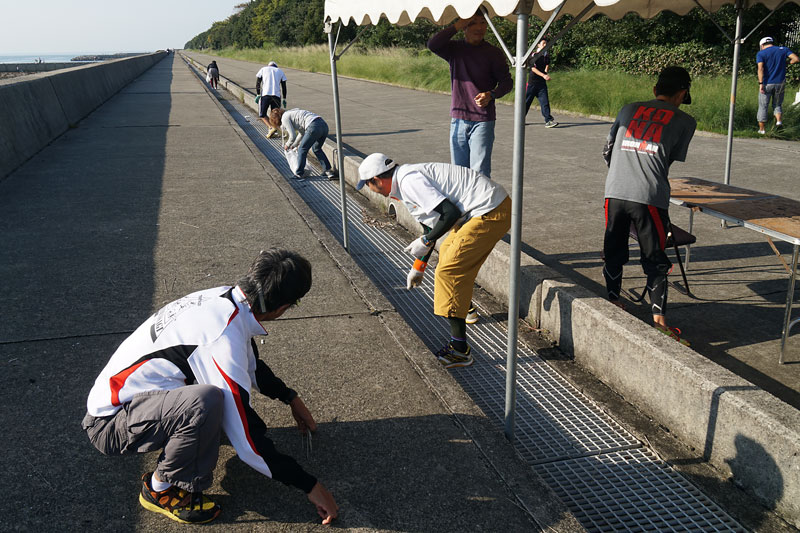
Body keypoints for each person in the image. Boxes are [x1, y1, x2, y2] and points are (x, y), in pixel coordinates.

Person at [81, 249, 339, 525]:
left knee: (212, 403)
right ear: (282, 307)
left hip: (128, 403)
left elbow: (249, 362)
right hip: (110, 424)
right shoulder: (222, 337)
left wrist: (289, 397)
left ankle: (181, 437)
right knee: (205, 403)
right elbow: (248, 442)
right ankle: (159, 489)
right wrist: (311, 486)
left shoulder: (226, 299)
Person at [356, 154, 511, 368]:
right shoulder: (405, 180)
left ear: (377, 180)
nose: (370, 190)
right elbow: (430, 227)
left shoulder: (409, 182)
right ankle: (464, 307)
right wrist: (418, 267)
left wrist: (426, 240)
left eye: (368, 185)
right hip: (485, 208)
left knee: (449, 271)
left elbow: (450, 213)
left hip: (489, 210)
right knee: (447, 253)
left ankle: (460, 350)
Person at [601, 66, 697, 346]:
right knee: (655, 259)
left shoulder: (627, 109)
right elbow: (666, 161)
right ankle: (659, 323)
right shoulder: (685, 121)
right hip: (650, 197)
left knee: (613, 250)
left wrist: (623, 172)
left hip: (614, 191)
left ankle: (613, 300)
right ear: (683, 94)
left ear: (655, 89)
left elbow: (607, 151)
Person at [428, 10, 512, 178]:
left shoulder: (493, 53)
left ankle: (480, 197)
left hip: (483, 120)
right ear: (464, 27)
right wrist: (457, 25)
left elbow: (507, 83)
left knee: (480, 173)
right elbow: (433, 44)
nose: (479, 27)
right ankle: (463, 198)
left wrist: (491, 94)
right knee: (459, 173)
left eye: (483, 22)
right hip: (458, 118)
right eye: (473, 23)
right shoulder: (454, 49)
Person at [269, 107, 336, 181]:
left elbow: (292, 136)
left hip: (313, 126)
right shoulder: (293, 113)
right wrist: (294, 145)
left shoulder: (284, 118)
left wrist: (287, 145)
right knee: (316, 149)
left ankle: (299, 173)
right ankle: (328, 172)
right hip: (323, 125)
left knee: (302, 149)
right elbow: (302, 132)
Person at [756, 36, 799, 134]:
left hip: (767, 83)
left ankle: (762, 130)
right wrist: (789, 62)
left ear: (762, 45)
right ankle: (779, 121)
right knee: (777, 104)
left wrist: (760, 83)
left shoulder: (761, 53)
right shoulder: (783, 50)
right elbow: (796, 59)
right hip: (780, 82)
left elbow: (760, 69)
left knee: (763, 106)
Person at [524, 37, 558, 128]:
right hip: (532, 83)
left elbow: (547, 64)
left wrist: (546, 72)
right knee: (526, 103)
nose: (545, 45)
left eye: (546, 44)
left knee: (545, 102)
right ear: (538, 45)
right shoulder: (534, 55)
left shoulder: (546, 56)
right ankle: (520, 119)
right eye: (543, 43)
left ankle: (549, 120)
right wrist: (543, 75)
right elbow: (532, 68)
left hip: (541, 84)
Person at [256, 61, 288, 138]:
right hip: (276, 96)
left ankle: (271, 127)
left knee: (262, 114)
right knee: (276, 116)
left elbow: (258, 83)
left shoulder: (263, 69)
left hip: (265, 95)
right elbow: (284, 86)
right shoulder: (280, 71)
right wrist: (284, 98)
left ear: (269, 65)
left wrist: (258, 94)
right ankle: (278, 130)